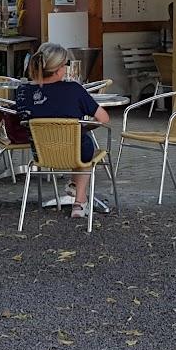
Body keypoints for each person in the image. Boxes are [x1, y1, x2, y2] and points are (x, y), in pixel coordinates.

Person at [15, 42, 109, 219]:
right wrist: (83, 126)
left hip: (41, 152)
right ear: (58, 69)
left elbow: (20, 115)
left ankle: (74, 187)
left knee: (76, 141)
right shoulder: (73, 90)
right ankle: (79, 203)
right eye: (66, 64)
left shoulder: (22, 90)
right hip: (75, 151)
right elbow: (103, 118)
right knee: (81, 143)